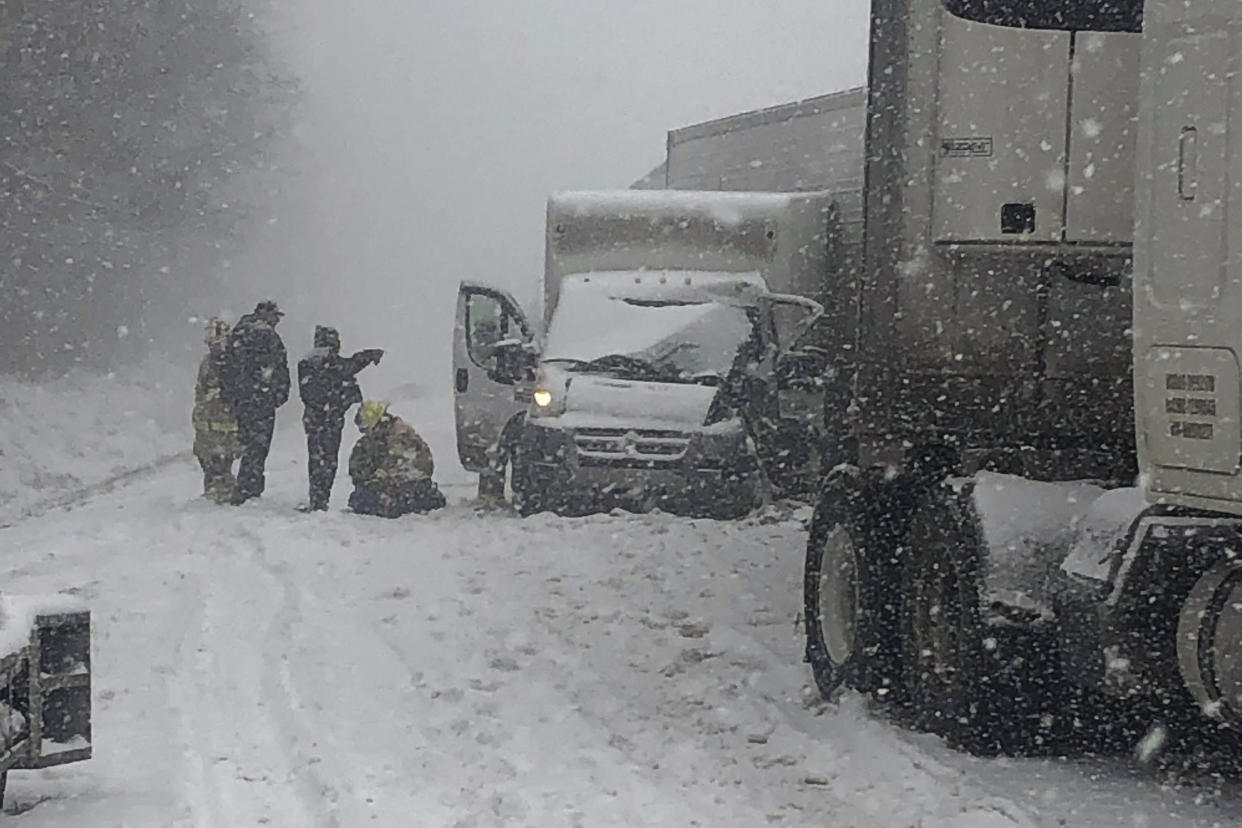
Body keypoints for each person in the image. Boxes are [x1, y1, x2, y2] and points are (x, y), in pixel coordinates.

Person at [298, 325, 383, 511]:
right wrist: (368, 356)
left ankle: (317, 498)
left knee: (316, 458)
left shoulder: (306, 363)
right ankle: (321, 500)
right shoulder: (329, 362)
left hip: (314, 419)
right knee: (328, 460)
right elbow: (348, 367)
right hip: (330, 419)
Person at [221, 300, 290, 504]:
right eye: (275, 315)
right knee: (258, 446)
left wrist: (231, 395)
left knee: (244, 442)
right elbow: (278, 366)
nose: (277, 320)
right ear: (265, 314)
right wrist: (278, 393)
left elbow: (226, 367)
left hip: (242, 400)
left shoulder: (238, 332)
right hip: (261, 400)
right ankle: (249, 488)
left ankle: (237, 485)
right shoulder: (267, 335)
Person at [348, 400, 446, 518]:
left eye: (366, 429)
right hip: (401, 484)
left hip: (409, 484)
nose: (365, 433)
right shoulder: (375, 439)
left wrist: (379, 479)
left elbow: (399, 463)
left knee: (363, 499)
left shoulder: (399, 435)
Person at [191, 317, 240, 503]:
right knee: (205, 455)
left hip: (225, 419)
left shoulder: (233, 361)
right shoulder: (207, 362)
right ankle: (213, 487)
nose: (214, 346)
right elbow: (200, 388)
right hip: (206, 421)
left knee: (224, 457)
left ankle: (224, 488)